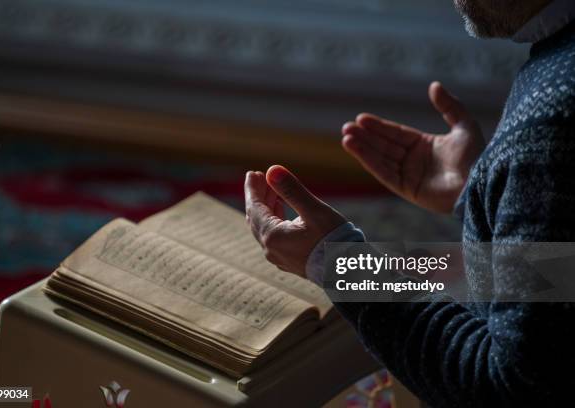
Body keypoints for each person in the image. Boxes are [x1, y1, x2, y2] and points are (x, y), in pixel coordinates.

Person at [244, 0, 575, 406]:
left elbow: (510, 388)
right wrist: (485, 192)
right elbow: (560, 295)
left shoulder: (556, 122)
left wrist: (337, 262)